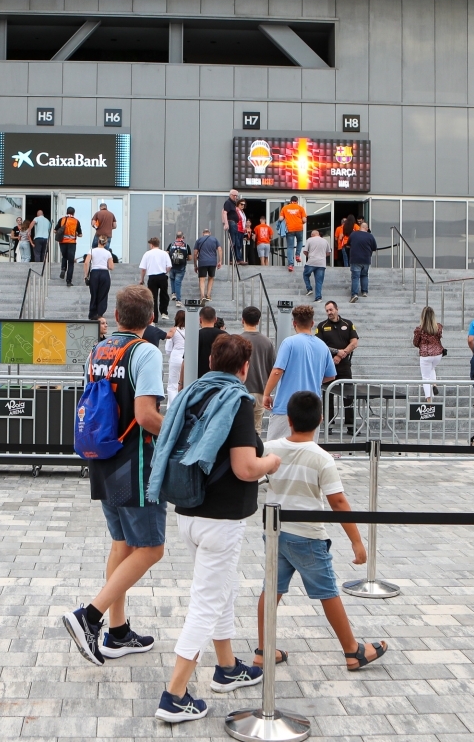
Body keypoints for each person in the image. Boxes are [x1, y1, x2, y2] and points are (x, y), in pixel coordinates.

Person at [148, 334, 278, 722]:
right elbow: (245, 467)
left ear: (209, 361)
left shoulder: (193, 393)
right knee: (206, 602)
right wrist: (271, 462)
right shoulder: (236, 401)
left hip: (188, 510)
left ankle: (227, 667)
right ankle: (174, 695)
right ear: (244, 368)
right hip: (222, 518)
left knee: (223, 589)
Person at [63, 286, 166, 668]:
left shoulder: (98, 351)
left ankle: (118, 632)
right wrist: (179, 432)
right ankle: (89, 616)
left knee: (122, 544)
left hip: (102, 457)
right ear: (151, 319)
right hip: (135, 462)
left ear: (117, 316)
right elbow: (146, 415)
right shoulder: (146, 352)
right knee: (151, 548)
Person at [255, 390, 388, 671]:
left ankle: (263, 650)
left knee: (271, 589)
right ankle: (352, 651)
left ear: (289, 420)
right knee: (327, 590)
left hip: (276, 532)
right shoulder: (321, 457)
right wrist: (356, 541)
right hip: (308, 535)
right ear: (321, 420)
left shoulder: (270, 448)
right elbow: (338, 501)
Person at [263, 304, 336, 441]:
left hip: (286, 406)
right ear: (312, 323)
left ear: (294, 323)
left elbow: (277, 370)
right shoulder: (323, 346)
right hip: (312, 407)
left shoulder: (289, 343)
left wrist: (266, 394)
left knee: (276, 449)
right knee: (307, 450)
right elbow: (331, 375)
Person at [316, 301, 359, 434]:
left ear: (337, 309)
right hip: (328, 365)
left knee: (348, 395)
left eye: (331, 310)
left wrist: (341, 354)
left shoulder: (348, 324)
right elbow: (320, 345)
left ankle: (351, 426)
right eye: (327, 310)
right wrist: (336, 352)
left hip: (344, 365)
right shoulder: (322, 326)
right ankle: (328, 425)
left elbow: (354, 342)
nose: (329, 312)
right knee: (328, 395)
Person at [240, 306, 276, 434]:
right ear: (258, 321)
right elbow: (272, 368)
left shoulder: (237, 340)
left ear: (242, 320)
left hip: (240, 390)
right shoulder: (267, 342)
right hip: (260, 390)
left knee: (240, 429)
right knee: (256, 431)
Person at [412, 306, 444, 399]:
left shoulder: (419, 329)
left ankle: (429, 401)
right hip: (438, 354)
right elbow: (439, 337)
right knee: (432, 368)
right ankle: (434, 384)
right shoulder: (438, 327)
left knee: (425, 378)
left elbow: (415, 342)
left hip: (426, 354)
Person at [138, 237, 171, 322]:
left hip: (152, 277)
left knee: (153, 297)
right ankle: (164, 312)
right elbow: (169, 266)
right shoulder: (164, 253)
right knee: (164, 295)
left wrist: (142, 279)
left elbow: (143, 269)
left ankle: (154, 318)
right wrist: (165, 272)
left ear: (151, 245)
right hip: (162, 276)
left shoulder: (147, 254)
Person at [85, 235, 114, 321]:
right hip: (104, 273)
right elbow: (111, 267)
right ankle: (100, 314)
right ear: (105, 243)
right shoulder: (108, 253)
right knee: (103, 295)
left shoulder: (92, 251)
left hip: (94, 273)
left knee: (94, 294)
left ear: (98, 241)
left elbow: (86, 263)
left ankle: (92, 314)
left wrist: (86, 275)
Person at [347, 221, 377, 303]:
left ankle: (354, 294)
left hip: (355, 259)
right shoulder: (370, 236)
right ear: (367, 228)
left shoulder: (353, 234)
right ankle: (364, 291)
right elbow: (374, 248)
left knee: (355, 277)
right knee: (364, 275)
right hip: (366, 259)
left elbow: (348, 244)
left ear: (360, 227)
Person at [301, 229, 331, 302]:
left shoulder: (310, 240)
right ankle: (318, 297)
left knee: (305, 274)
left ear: (312, 235)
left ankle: (309, 289)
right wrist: (322, 256)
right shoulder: (325, 241)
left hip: (311, 262)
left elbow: (305, 251)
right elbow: (328, 252)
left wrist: (309, 256)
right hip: (321, 263)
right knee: (319, 281)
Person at [193, 228, 221, 302]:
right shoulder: (215, 239)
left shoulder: (199, 240)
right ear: (210, 233)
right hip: (212, 262)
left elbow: (195, 253)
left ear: (203, 233)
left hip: (202, 262)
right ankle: (208, 295)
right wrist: (220, 261)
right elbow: (219, 249)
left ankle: (202, 296)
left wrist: (195, 265)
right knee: (211, 278)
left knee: (202, 279)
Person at [197, 305, 226, 378]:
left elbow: (186, 361)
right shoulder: (225, 336)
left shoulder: (195, 336)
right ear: (215, 319)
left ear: (200, 320)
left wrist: (181, 382)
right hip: (220, 378)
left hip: (199, 379)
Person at [56, 206, 82, 285]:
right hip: (72, 242)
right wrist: (76, 234)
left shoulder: (62, 220)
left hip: (62, 242)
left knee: (64, 256)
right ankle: (68, 281)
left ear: (66, 212)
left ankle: (63, 269)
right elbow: (80, 234)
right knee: (71, 262)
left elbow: (55, 230)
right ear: (74, 213)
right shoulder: (76, 221)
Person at [165, 310, 186, 404]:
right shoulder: (191, 330)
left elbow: (168, 349)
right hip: (186, 358)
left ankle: (172, 406)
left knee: (172, 385)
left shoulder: (173, 330)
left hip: (175, 357)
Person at [279, 197, 306, 272]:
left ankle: (290, 265)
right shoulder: (300, 208)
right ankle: (297, 255)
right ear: (297, 201)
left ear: (290, 201)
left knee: (290, 247)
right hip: (299, 228)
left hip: (290, 229)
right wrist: (301, 222)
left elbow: (280, 219)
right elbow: (304, 220)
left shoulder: (285, 208)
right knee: (300, 241)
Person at [166, 231, 191, 304]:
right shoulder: (186, 246)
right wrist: (184, 259)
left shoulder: (171, 245)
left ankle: (173, 294)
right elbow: (190, 258)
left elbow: (166, 254)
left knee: (172, 279)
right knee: (178, 282)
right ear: (182, 237)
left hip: (172, 265)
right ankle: (178, 300)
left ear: (176, 237)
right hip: (181, 267)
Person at [223, 188, 244, 264]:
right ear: (231, 195)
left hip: (234, 223)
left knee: (237, 242)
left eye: (236, 196)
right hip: (231, 222)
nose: (236, 197)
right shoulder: (228, 202)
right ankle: (232, 259)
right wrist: (226, 223)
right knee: (233, 242)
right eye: (234, 195)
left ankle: (238, 258)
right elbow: (224, 212)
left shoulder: (233, 203)